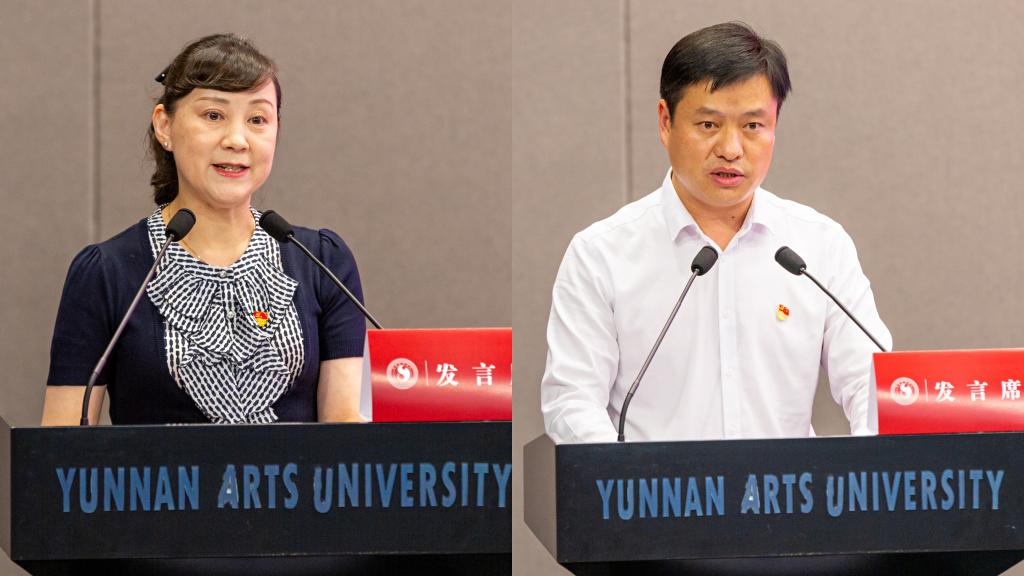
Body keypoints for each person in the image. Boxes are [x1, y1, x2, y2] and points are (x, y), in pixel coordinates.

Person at [541, 22, 892, 444]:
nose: (730, 149)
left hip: (789, 487)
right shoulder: (601, 255)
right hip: (654, 486)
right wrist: (623, 478)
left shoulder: (818, 247)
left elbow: (874, 383)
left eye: (753, 126)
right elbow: (572, 401)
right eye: (709, 125)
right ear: (665, 122)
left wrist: (872, 464)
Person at [42, 34, 367, 425]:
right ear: (165, 126)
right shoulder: (106, 273)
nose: (237, 140)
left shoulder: (322, 261)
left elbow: (344, 432)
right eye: (213, 116)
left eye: (257, 120)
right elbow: (62, 443)